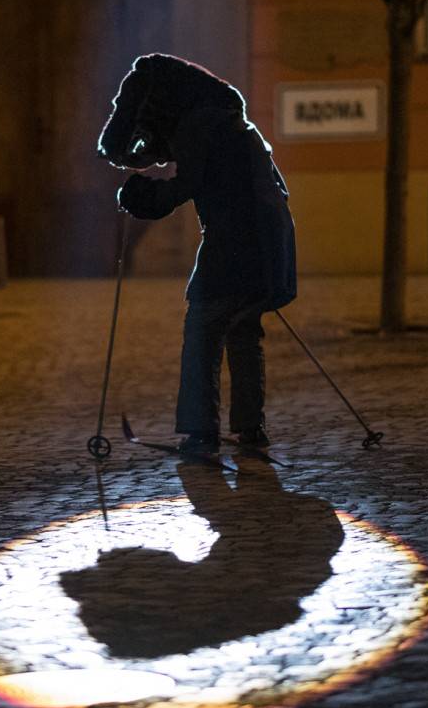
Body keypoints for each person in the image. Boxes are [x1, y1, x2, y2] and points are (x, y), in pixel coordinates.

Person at [96, 53, 295, 456]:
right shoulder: (235, 124)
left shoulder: (198, 125)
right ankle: (251, 429)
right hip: (266, 242)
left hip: (232, 244)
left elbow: (186, 184)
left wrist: (141, 195)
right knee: (243, 332)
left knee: (203, 329)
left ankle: (201, 432)